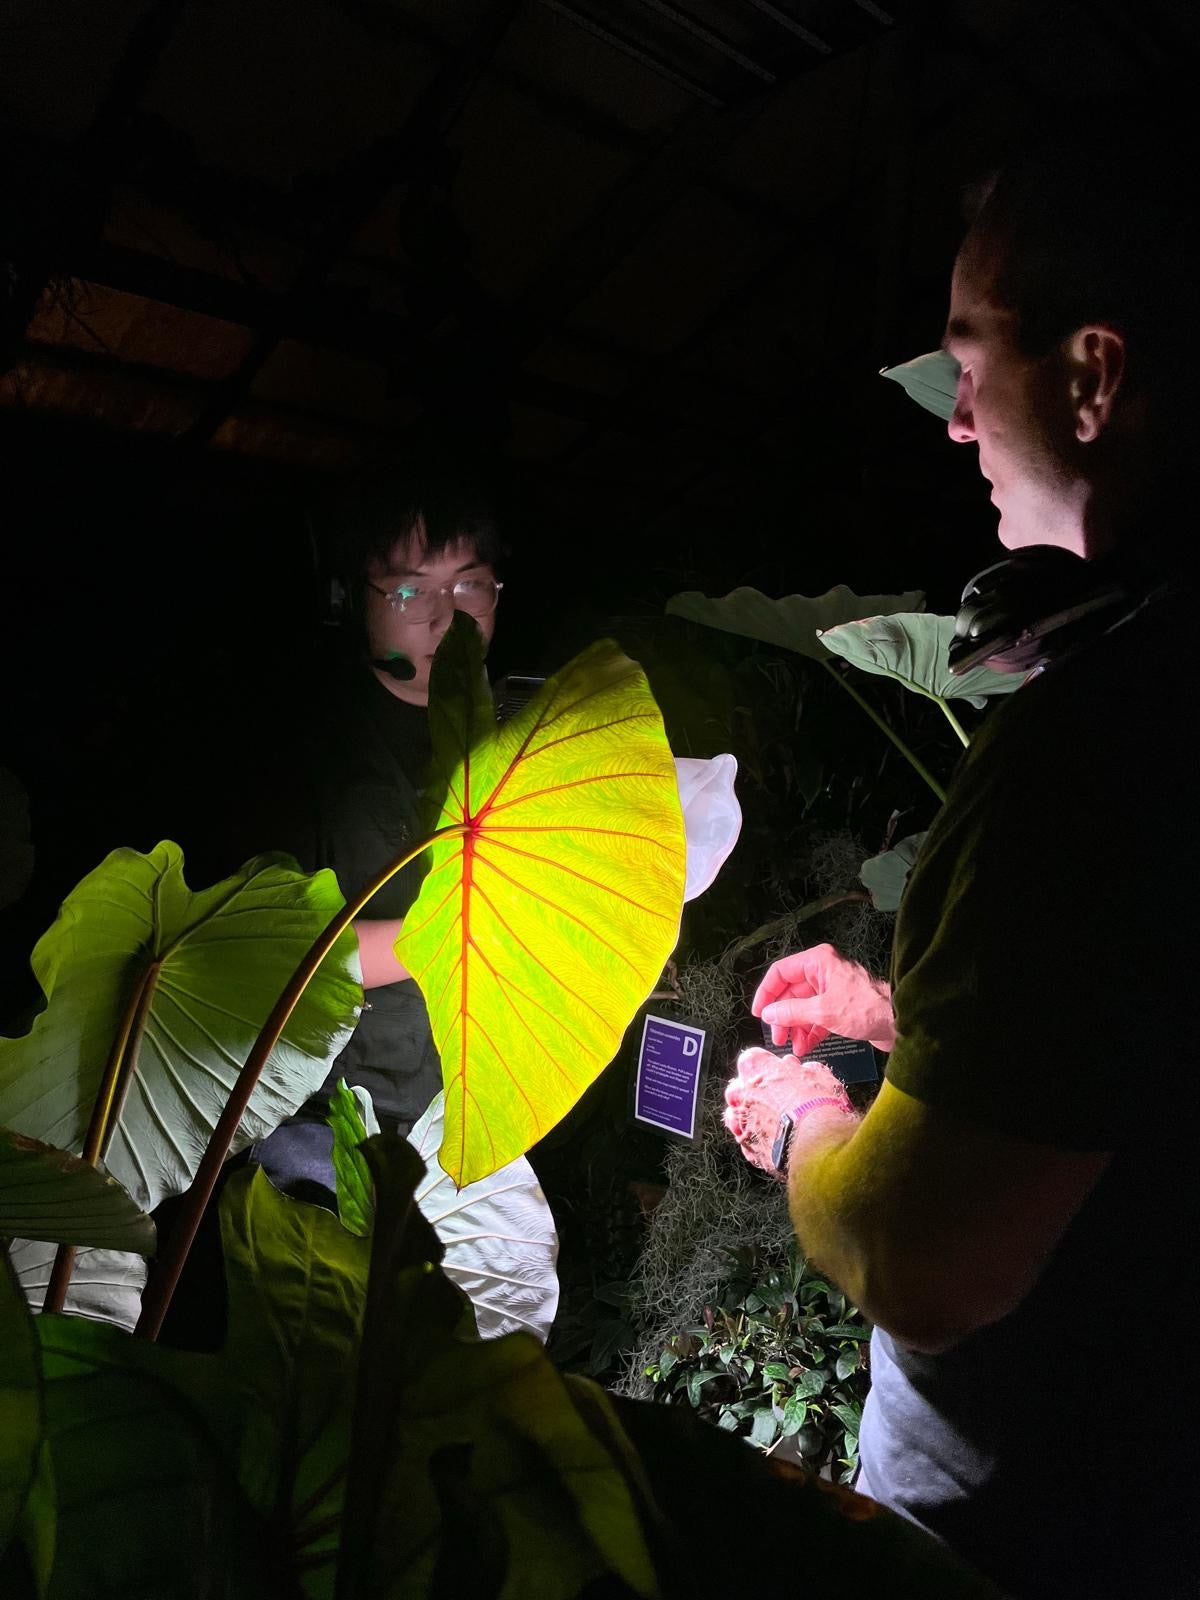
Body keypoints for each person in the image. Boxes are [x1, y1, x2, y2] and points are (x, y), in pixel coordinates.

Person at [723, 116, 1199, 1599]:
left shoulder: (1100, 733)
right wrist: (896, 1016)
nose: (952, 415)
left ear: (1094, 374)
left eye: (970, 350)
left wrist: (803, 1118)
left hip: (1014, 1543)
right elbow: (1122, 1050)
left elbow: (925, 1264)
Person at [251, 461, 506, 1204]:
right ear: (350, 598)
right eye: (409, 589)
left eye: (471, 584)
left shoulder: (522, 733)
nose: (447, 617)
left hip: (467, 1105)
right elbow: (291, 958)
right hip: (328, 1119)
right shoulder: (304, 749)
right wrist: (467, 926)